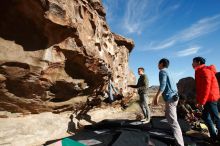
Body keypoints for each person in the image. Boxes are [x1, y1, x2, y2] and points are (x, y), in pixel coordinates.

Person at [153, 58, 184, 146]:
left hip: (170, 98)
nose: (157, 65)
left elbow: (162, 85)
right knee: (169, 116)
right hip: (174, 97)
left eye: (158, 63)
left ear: (161, 64)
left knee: (173, 122)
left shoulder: (162, 71)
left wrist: (157, 97)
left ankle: (180, 143)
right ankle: (177, 138)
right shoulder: (169, 72)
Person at [192, 56, 220, 142]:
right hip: (207, 98)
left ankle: (216, 137)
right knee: (205, 116)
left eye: (193, 62)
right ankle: (214, 137)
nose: (192, 64)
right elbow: (200, 89)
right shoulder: (199, 71)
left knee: (216, 118)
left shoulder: (205, 71)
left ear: (199, 62)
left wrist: (202, 102)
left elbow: (206, 88)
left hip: (211, 98)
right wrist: (199, 101)